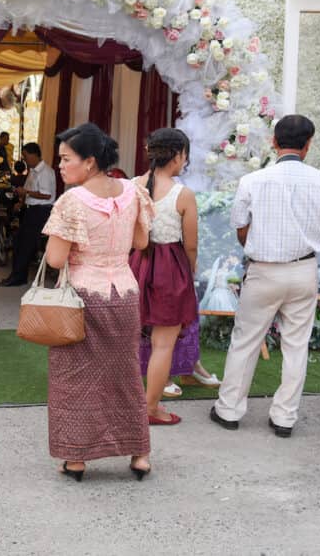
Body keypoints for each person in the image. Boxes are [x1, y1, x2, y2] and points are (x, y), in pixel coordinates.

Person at [211, 115, 320, 437]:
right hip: (304, 268)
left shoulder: (253, 181)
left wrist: (258, 247)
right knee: (297, 344)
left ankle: (229, 410)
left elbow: (240, 226)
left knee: (245, 340)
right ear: (308, 144)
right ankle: (285, 417)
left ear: (274, 141)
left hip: (263, 269)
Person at [42, 122, 154, 481]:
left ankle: (76, 459)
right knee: (126, 375)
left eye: (65, 159)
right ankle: (139, 453)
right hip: (124, 293)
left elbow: (56, 260)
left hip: (82, 297)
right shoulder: (133, 192)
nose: (59, 165)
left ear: (89, 162)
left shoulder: (72, 201)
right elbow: (140, 243)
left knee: (75, 378)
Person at [129, 128, 199, 425]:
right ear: (178, 155)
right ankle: (150, 409)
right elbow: (192, 244)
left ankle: (126, 405)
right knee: (162, 345)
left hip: (135, 264)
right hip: (170, 268)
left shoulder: (131, 186)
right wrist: (189, 271)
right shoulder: (182, 194)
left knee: (128, 340)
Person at [0, 143, 55, 287]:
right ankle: (19, 276)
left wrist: (26, 193)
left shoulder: (45, 172)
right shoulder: (33, 171)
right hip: (31, 210)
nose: (24, 159)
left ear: (34, 154)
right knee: (18, 242)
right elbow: (28, 189)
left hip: (41, 212)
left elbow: (47, 195)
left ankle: (17, 277)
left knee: (24, 244)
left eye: (26, 156)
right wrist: (22, 201)